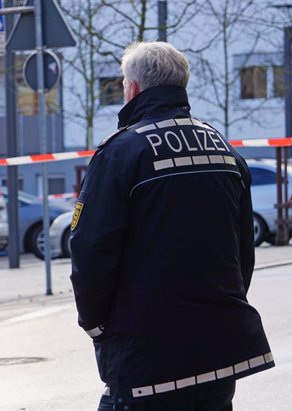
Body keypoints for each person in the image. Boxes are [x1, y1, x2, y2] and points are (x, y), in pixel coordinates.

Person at [70, 42, 274, 411]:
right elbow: (243, 248)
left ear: (132, 88)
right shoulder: (223, 148)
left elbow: (91, 248)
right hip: (220, 347)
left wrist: (97, 326)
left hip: (147, 351)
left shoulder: (120, 153)